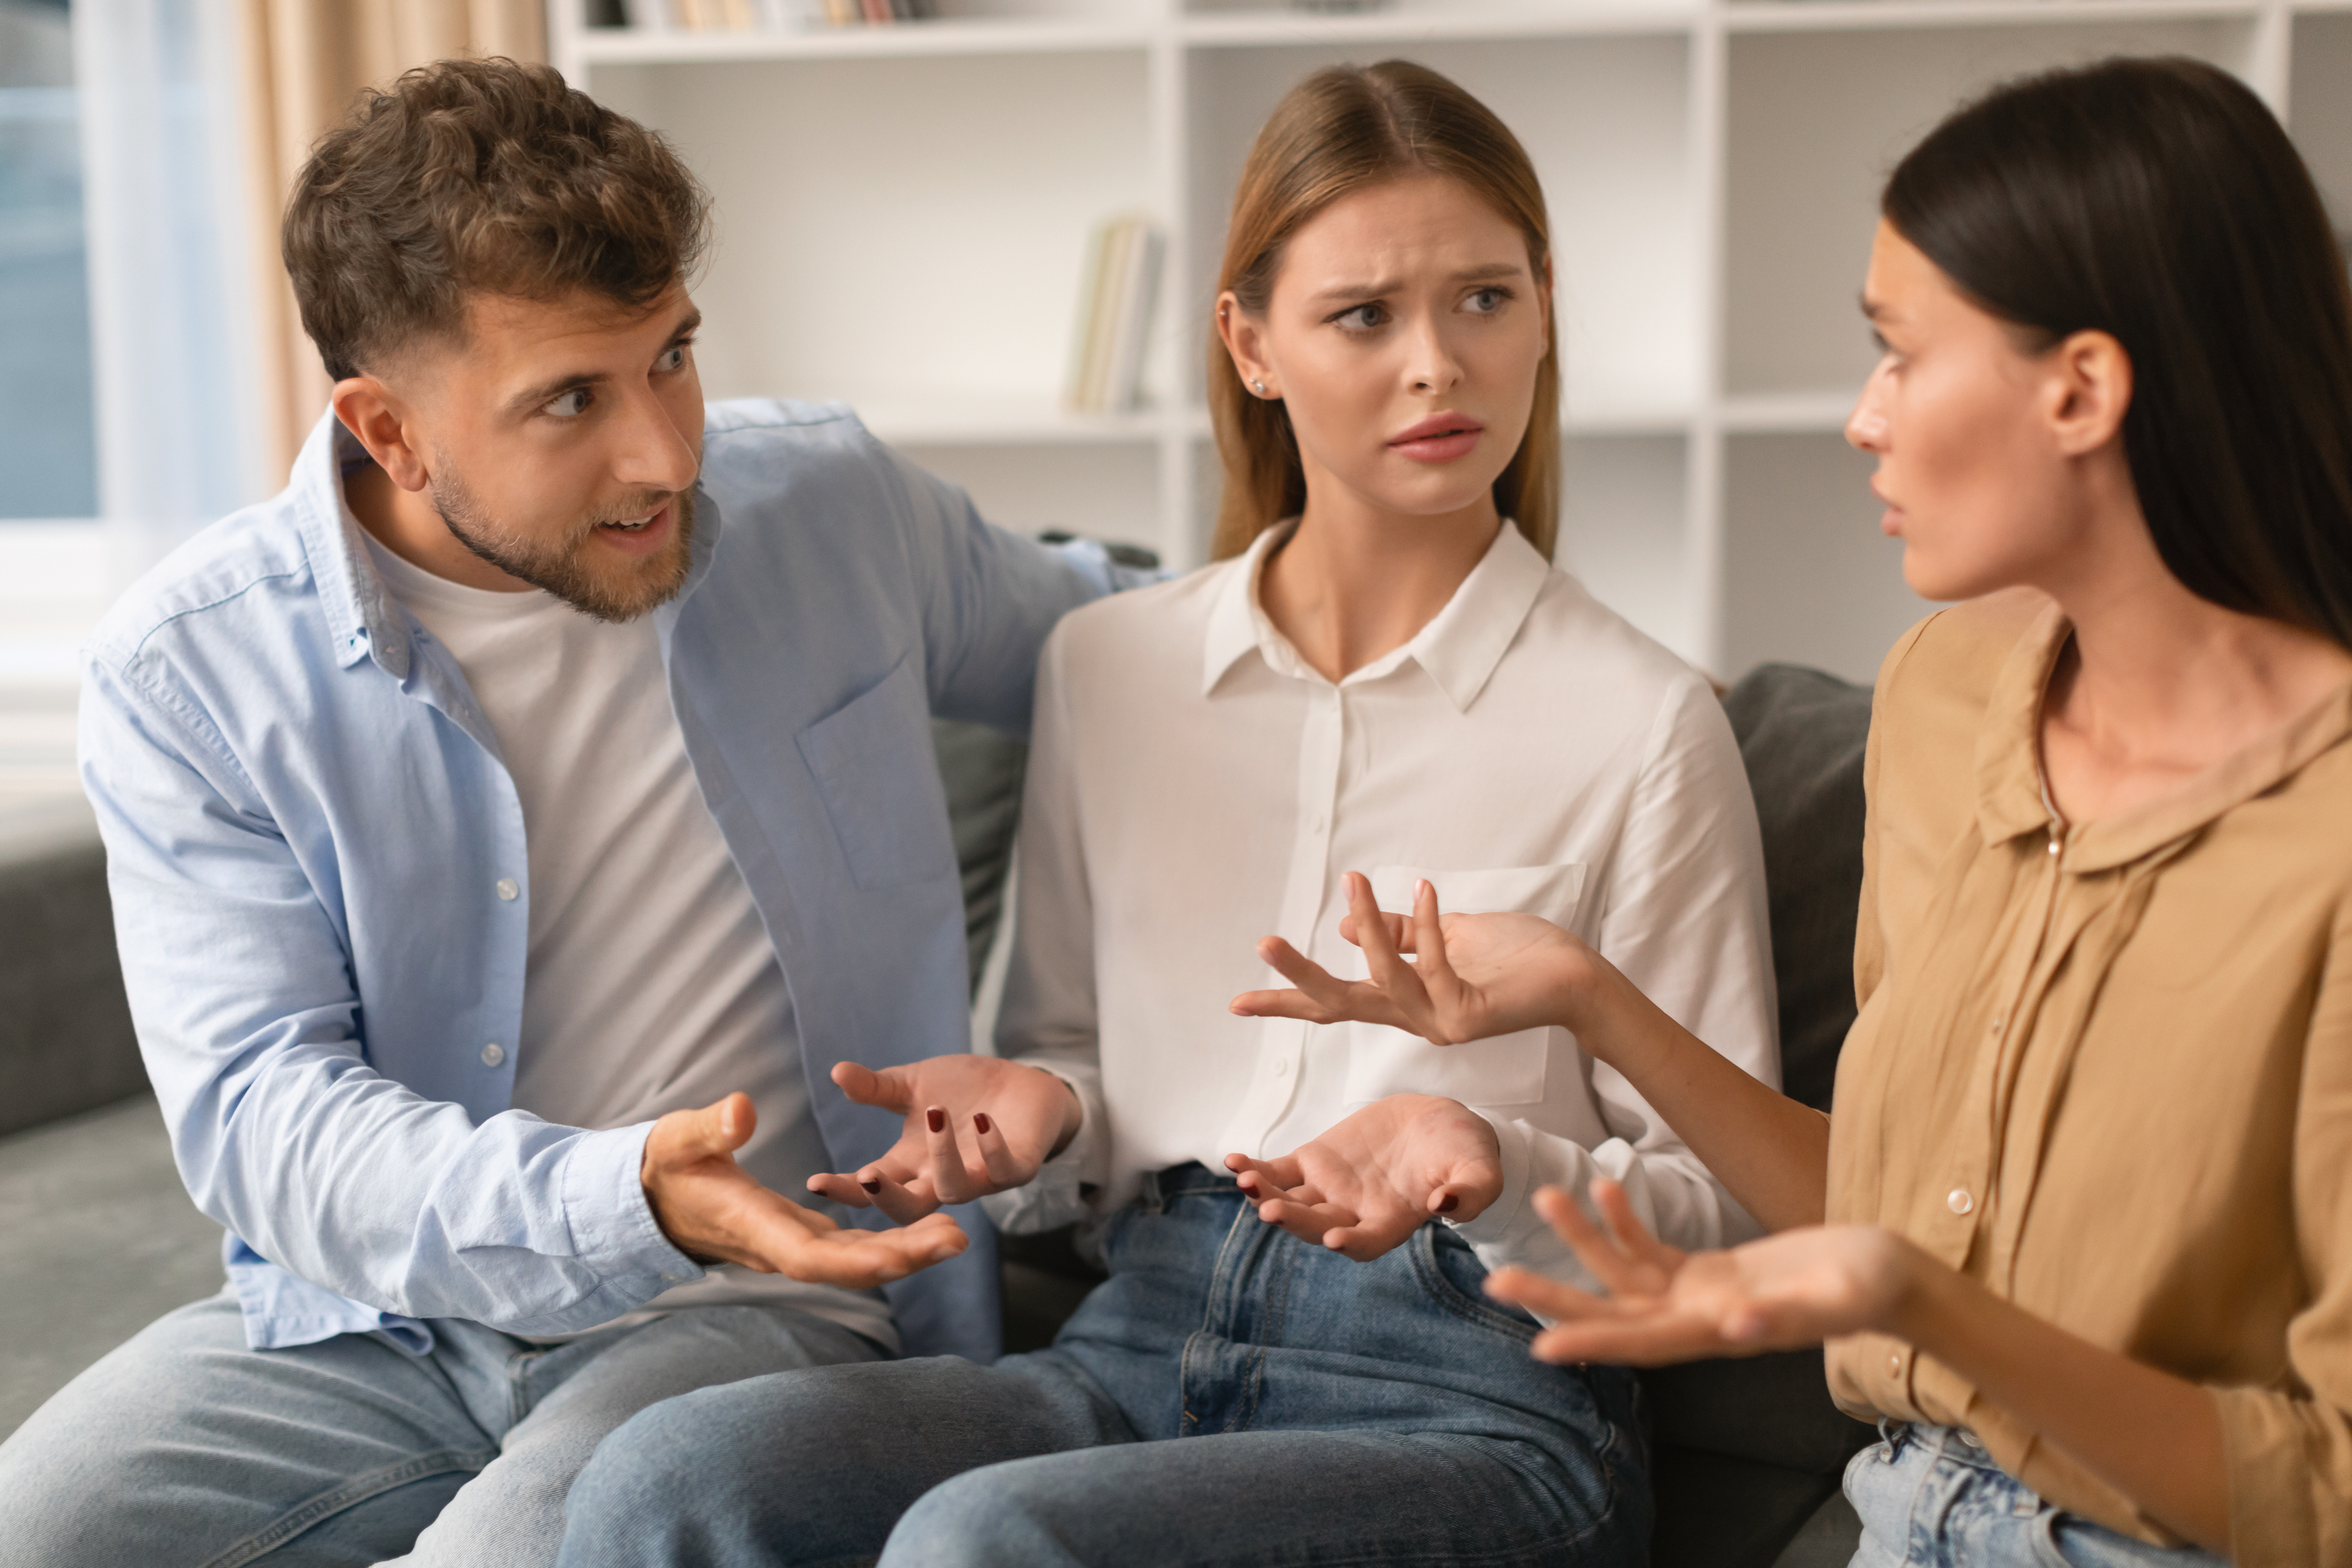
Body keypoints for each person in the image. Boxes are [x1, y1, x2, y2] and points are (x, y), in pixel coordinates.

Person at [554, 60, 1779, 1568]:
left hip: (1473, 1401)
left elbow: (1724, 1200)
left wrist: (1490, 1151)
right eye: (1362, 315)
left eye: (1485, 299)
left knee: (988, 1542)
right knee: (668, 1474)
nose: (1437, 367)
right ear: (1248, 342)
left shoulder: (1643, 719)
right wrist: (1044, 1110)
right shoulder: (1111, 668)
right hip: (1133, 1340)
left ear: (1543, 307)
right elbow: (1071, 1064)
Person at [0, 57, 1141, 1568]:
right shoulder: (194, 669)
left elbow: (1135, 651)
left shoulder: (832, 510)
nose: (664, 453)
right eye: (570, 401)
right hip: (380, 1321)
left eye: (672, 355)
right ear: (388, 430)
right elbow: (268, 1124)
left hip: (760, 1300)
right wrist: (626, 1196)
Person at [1234, 55, 2352, 1568]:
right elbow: (1879, 1199)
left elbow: (2326, 1492)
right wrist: (1584, 997)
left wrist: (1912, 1301)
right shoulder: (1948, 695)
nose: (1861, 418)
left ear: (2079, 387)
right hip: (1898, 1512)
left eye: (1899, 352)